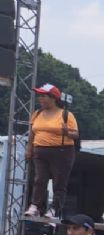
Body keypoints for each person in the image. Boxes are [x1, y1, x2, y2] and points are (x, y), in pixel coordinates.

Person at [25, 84, 79, 219]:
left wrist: (67, 132)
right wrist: (29, 149)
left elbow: (76, 135)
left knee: (59, 182)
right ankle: (35, 206)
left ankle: (55, 208)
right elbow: (32, 133)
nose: (40, 99)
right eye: (40, 96)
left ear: (53, 98)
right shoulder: (37, 114)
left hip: (61, 151)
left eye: (43, 96)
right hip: (40, 150)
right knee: (39, 179)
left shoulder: (66, 114)